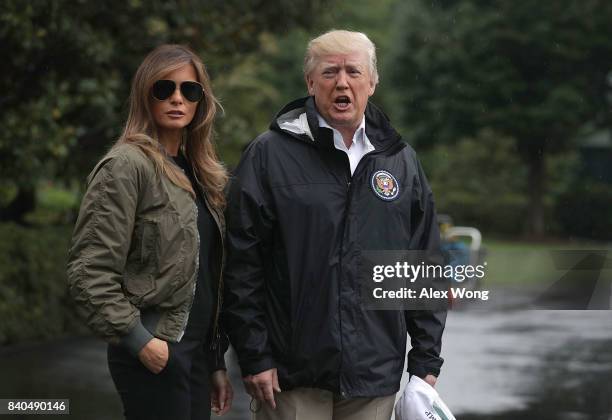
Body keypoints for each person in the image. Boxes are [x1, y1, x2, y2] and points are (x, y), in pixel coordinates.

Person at [223, 30, 447, 420]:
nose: (342, 82)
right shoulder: (268, 155)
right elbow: (242, 264)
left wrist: (426, 362)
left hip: (373, 378)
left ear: (372, 83)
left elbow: (421, 264)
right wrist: (254, 355)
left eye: (353, 72)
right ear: (310, 83)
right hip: (290, 377)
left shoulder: (400, 161)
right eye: (329, 72)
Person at [67, 44, 233, 420]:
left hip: (195, 356)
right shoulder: (125, 166)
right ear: (145, 95)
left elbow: (204, 278)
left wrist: (215, 362)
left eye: (189, 90)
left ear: (200, 101)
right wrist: (140, 342)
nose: (177, 99)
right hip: (153, 352)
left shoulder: (202, 174)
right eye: (164, 89)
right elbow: (88, 272)